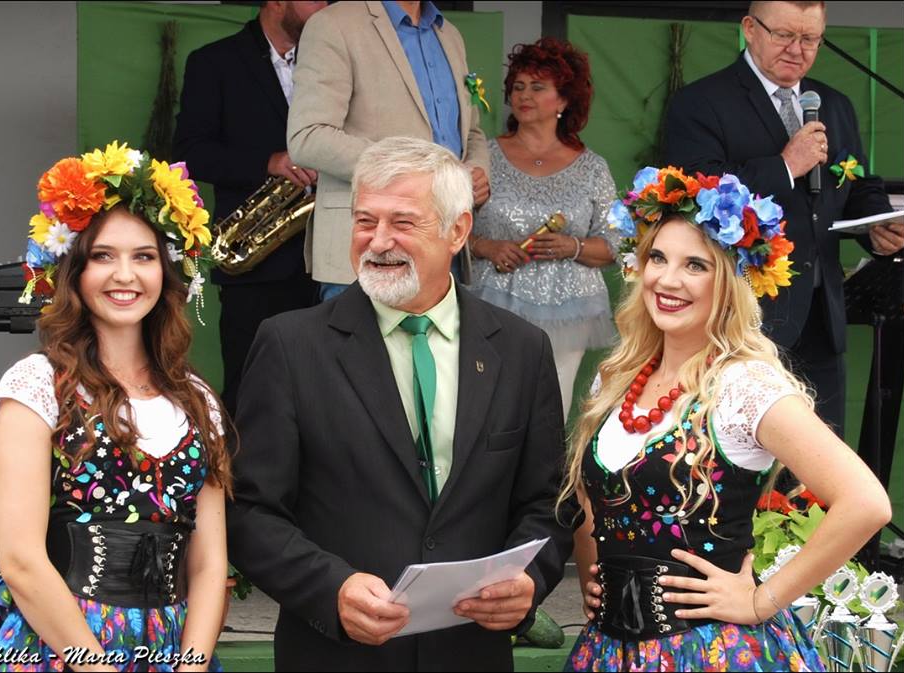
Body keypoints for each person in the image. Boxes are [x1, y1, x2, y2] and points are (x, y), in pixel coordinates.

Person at [226, 137, 574, 671]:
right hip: (338, 658)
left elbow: (548, 503)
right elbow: (249, 510)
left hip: (469, 656)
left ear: (458, 230)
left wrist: (530, 579)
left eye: (403, 222)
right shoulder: (291, 346)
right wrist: (331, 589)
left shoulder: (522, 349)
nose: (378, 240)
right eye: (365, 221)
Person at [559, 166, 891, 672]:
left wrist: (760, 601)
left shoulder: (745, 386)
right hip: (608, 650)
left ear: (731, 280)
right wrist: (594, 580)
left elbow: (866, 503)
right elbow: (591, 501)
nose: (667, 279)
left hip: (709, 652)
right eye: (658, 258)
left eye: (695, 265)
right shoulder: (617, 379)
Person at [0, 143, 232, 672]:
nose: (125, 274)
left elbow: (210, 564)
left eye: (143, 256)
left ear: (167, 271)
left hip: (170, 647)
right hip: (58, 645)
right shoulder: (39, 386)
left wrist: (192, 665)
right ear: (73, 271)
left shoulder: (195, 399)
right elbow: (21, 560)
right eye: (103, 256)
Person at [664, 0, 904, 436]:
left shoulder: (834, 104)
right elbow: (695, 197)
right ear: (749, 28)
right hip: (739, 318)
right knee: (739, 451)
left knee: (820, 456)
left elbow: (857, 185)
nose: (797, 49)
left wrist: (878, 225)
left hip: (822, 317)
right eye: (784, 35)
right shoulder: (700, 102)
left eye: (810, 38)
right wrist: (785, 166)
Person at [174, 0, 327, 416]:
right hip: (257, 259)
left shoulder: (330, 63)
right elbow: (190, 153)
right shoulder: (214, 62)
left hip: (327, 256)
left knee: (321, 395)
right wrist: (269, 162)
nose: (326, 7)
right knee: (252, 391)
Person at [287, 0, 491, 301]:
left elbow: (471, 132)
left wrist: (477, 170)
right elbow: (308, 136)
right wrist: (420, 177)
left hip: (442, 251)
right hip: (369, 253)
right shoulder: (333, 24)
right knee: (359, 335)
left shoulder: (449, 34)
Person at [467, 38, 617, 418]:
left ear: (564, 100)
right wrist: (487, 247)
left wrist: (574, 247)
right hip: (491, 304)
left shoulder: (593, 168)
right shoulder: (483, 156)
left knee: (551, 407)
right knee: (487, 409)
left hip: (568, 309)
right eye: (518, 86)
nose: (524, 95)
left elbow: (617, 243)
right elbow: (446, 226)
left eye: (537, 87)